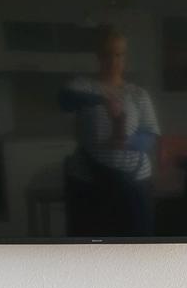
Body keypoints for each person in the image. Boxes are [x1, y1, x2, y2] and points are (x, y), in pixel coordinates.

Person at [59, 26, 160, 236]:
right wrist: (102, 99)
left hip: (135, 182)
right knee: (89, 244)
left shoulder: (138, 94)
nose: (114, 61)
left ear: (125, 57)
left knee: (137, 245)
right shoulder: (82, 86)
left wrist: (126, 141)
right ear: (98, 56)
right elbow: (64, 101)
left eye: (119, 55)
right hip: (88, 179)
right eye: (108, 55)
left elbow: (151, 135)